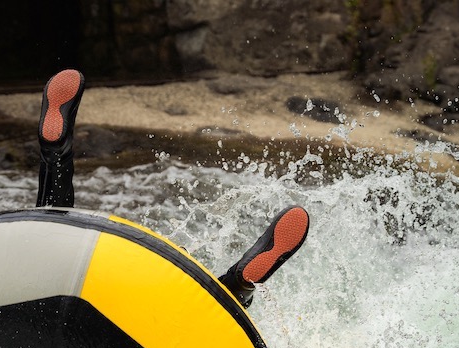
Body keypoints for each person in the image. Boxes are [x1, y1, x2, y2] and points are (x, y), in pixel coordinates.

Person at [36, 69, 309, 307]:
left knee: (48, 243)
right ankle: (237, 288)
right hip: (127, 320)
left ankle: (55, 154)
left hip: (51, 300)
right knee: (209, 316)